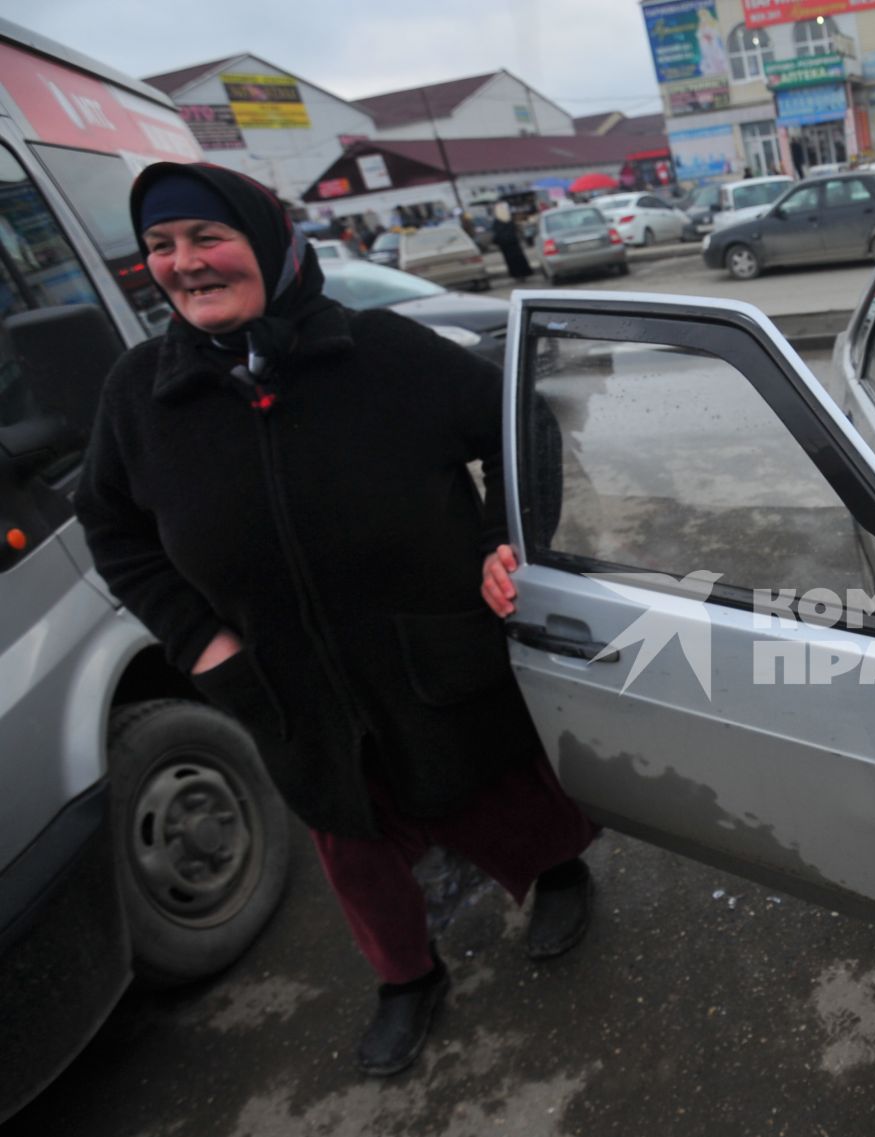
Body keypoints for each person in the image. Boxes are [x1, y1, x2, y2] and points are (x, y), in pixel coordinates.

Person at [74, 163, 598, 1079]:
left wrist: (503, 542)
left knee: (499, 789)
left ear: (272, 246)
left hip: (430, 648)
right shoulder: (138, 395)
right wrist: (200, 641)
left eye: (206, 238)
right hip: (281, 678)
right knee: (348, 835)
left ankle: (558, 876)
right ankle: (406, 976)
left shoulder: (383, 351)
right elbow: (113, 530)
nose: (184, 264)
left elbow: (526, 434)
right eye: (160, 246)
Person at [491, 199, 533, 280]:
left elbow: (496, 233)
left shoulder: (497, 222)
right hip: (513, 243)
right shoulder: (509, 220)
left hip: (505, 245)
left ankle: (516, 275)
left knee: (511, 261)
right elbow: (515, 230)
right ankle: (523, 273)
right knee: (519, 259)